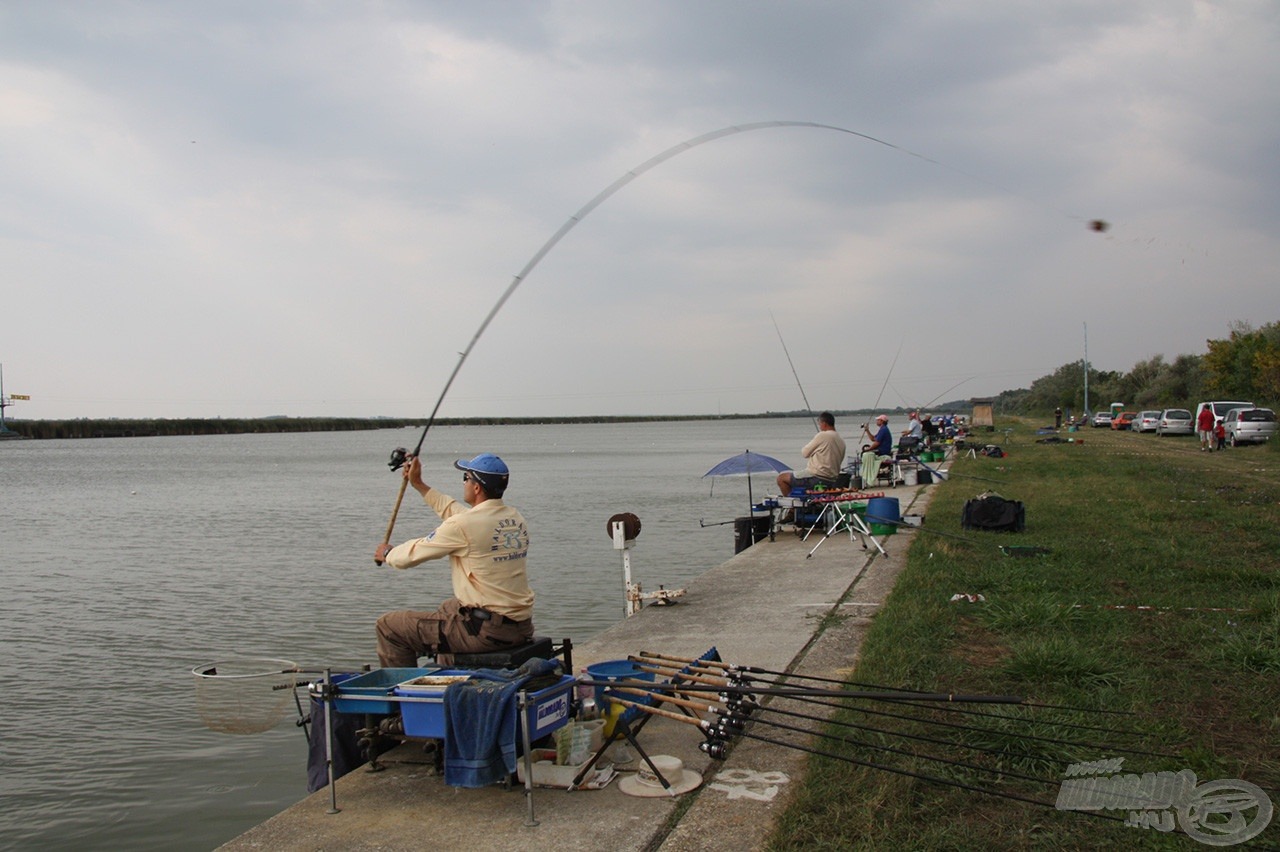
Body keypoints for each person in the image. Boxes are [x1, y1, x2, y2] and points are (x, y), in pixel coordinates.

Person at [373, 453, 534, 666]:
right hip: (520, 626)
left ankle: (406, 694)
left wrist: (387, 554)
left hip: (487, 634)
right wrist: (419, 484)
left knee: (388, 626)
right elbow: (455, 512)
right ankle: (448, 672)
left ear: (476, 487)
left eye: (466, 478)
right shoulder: (514, 517)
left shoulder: (463, 526)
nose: (464, 483)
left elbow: (410, 556)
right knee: (449, 607)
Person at [776, 411, 847, 494]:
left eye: (819, 424)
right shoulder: (841, 441)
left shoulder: (822, 435)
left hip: (816, 477)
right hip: (832, 479)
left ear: (824, 424)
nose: (820, 427)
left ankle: (792, 504)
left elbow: (804, 453)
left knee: (781, 478)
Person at [860, 414, 893, 488]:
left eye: (878, 420)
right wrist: (867, 430)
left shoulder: (883, 430)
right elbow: (873, 439)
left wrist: (868, 449)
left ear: (881, 421)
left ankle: (867, 477)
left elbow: (877, 443)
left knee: (866, 455)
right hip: (880, 451)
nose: (876, 421)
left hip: (883, 452)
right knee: (866, 454)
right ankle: (866, 477)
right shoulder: (882, 429)